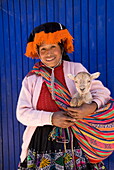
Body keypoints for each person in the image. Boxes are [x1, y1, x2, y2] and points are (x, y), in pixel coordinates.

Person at [17, 22, 111, 170]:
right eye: (43, 49)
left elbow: (103, 93)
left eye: (53, 47)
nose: (48, 53)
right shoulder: (32, 78)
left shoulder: (76, 69)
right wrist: (51, 118)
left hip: (77, 136)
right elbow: (22, 114)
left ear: (61, 48)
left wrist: (91, 107)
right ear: (38, 53)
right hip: (42, 141)